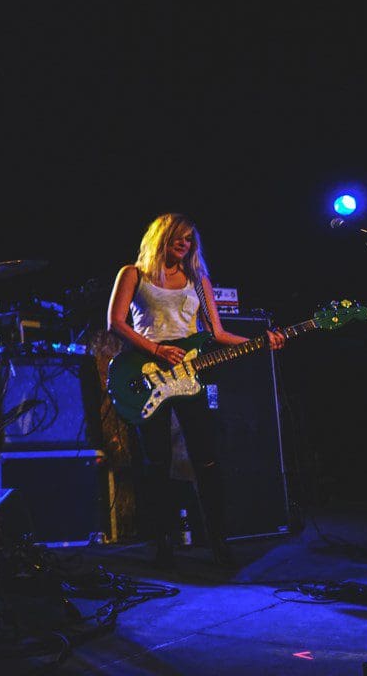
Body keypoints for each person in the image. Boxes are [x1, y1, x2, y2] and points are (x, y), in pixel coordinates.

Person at [107, 213, 285, 567]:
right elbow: (115, 322)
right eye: (178, 236)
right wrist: (157, 350)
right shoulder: (133, 274)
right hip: (148, 372)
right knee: (158, 462)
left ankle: (218, 542)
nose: (184, 243)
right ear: (162, 236)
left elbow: (216, 333)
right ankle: (163, 544)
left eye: (189, 239)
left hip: (190, 376)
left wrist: (260, 342)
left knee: (207, 458)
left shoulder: (198, 280)